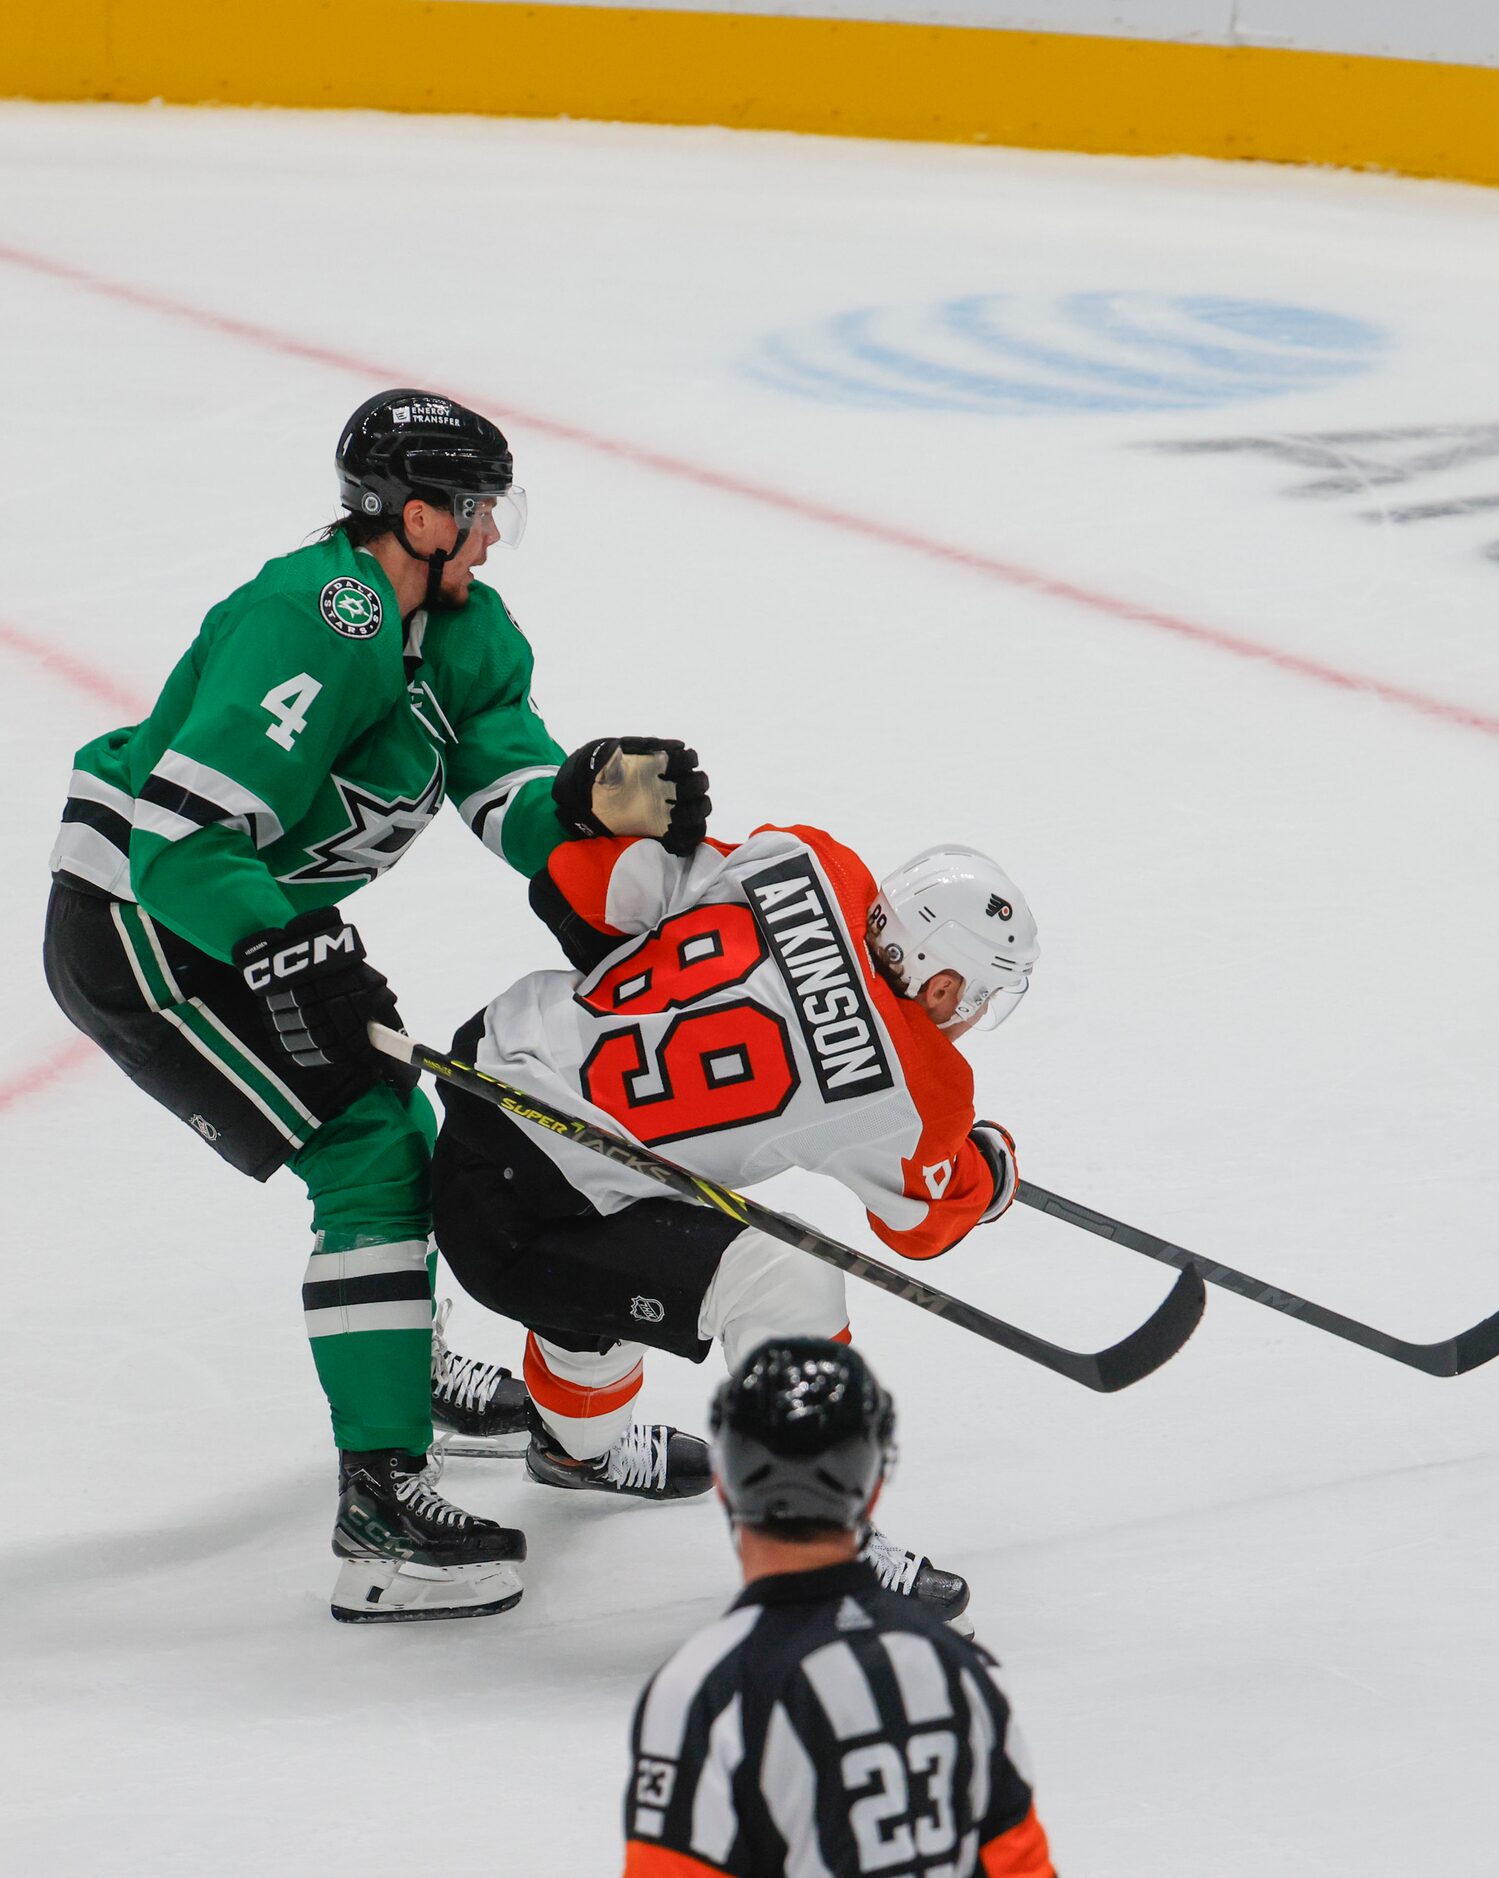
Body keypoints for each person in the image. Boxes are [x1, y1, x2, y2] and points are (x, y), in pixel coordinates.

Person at [40, 388, 714, 1622]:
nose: (495, 536)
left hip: (244, 930)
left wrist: (598, 824)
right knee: (371, 1151)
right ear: (417, 516)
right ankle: (381, 1522)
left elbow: (509, 790)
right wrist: (290, 946)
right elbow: (179, 846)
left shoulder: (463, 632)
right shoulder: (315, 621)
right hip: (145, 931)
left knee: (399, 1135)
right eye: (478, 512)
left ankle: (424, 1382)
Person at [428, 820, 1037, 1613]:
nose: (971, 1016)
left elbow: (588, 882)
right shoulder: (916, 1091)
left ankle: (576, 1453)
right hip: (530, 1220)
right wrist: (984, 1174)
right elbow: (922, 1224)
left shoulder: (805, 858)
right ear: (942, 985)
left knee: (654, 1214)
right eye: (978, 996)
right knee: (787, 1279)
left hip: (492, 1078)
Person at [622, 1338, 1054, 1877]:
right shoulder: (962, 1671)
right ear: (871, 1494)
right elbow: (1022, 1866)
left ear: (725, 1487)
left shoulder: (704, 1690)